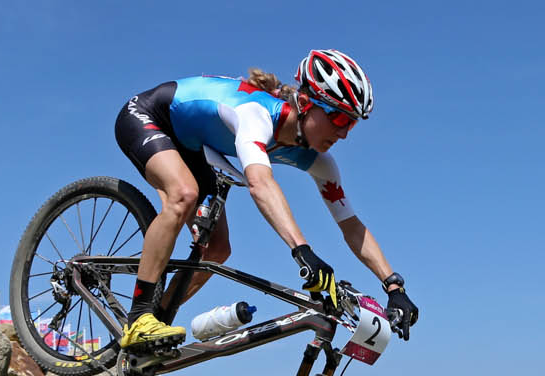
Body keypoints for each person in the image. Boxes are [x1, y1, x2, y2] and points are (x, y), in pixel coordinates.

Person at [113, 49, 420, 355]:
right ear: (305, 103)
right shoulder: (256, 114)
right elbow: (260, 183)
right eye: (338, 117)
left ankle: (153, 328)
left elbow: (351, 226)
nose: (343, 132)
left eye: (350, 123)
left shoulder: (320, 162)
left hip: (195, 145)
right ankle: (139, 317)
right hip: (150, 116)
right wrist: (302, 250)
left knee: (218, 250)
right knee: (183, 195)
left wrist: (393, 285)